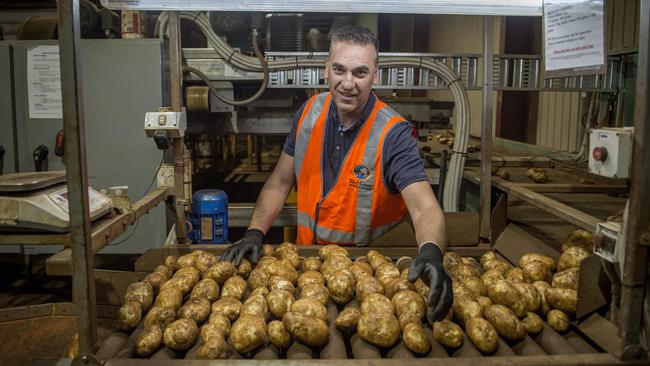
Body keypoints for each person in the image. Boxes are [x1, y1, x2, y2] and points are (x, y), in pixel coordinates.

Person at [222, 25, 452, 321]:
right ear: (326, 70)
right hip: (308, 269)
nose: (348, 83)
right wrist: (255, 232)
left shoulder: (392, 134)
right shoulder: (308, 114)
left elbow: (425, 208)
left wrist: (432, 251)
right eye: (340, 70)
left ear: (376, 76)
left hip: (368, 280)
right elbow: (279, 184)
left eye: (360, 72)